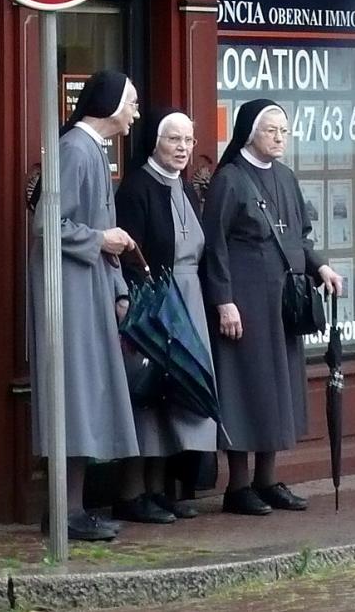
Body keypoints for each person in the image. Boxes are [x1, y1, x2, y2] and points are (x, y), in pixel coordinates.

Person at [203, 99, 343, 516]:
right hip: (245, 302)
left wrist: (321, 267)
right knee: (246, 388)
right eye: (272, 130)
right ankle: (239, 486)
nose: (280, 138)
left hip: (283, 302)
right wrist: (224, 301)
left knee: (277, 390)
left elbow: (299, 236)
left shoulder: (285, 176)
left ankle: (267, 479)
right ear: (249, 133)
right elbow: (215, 246)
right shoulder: (229, 180)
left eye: (285, 131)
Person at [27, 70, 141, 541]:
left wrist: (117, 291)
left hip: (89, 289)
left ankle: (73, 508)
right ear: (110, 102)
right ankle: (64, 512)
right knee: (71, 396)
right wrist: (102, 239)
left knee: (83, 398)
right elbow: (47, 224)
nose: (135, 111)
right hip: (69, 294)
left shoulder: (92, 150)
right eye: (131, 102)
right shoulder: (76, 148)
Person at [113, 107, 217, 524]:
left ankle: (160, 490)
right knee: (148, 397)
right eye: (175, 139)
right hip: (155, 304)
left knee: (175, 398)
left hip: (189, 302)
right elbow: (129, 255)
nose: (183, 148)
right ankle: (131, 493)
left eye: (189, 141)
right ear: (155, 141)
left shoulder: (188, 189)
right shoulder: (136, 189)